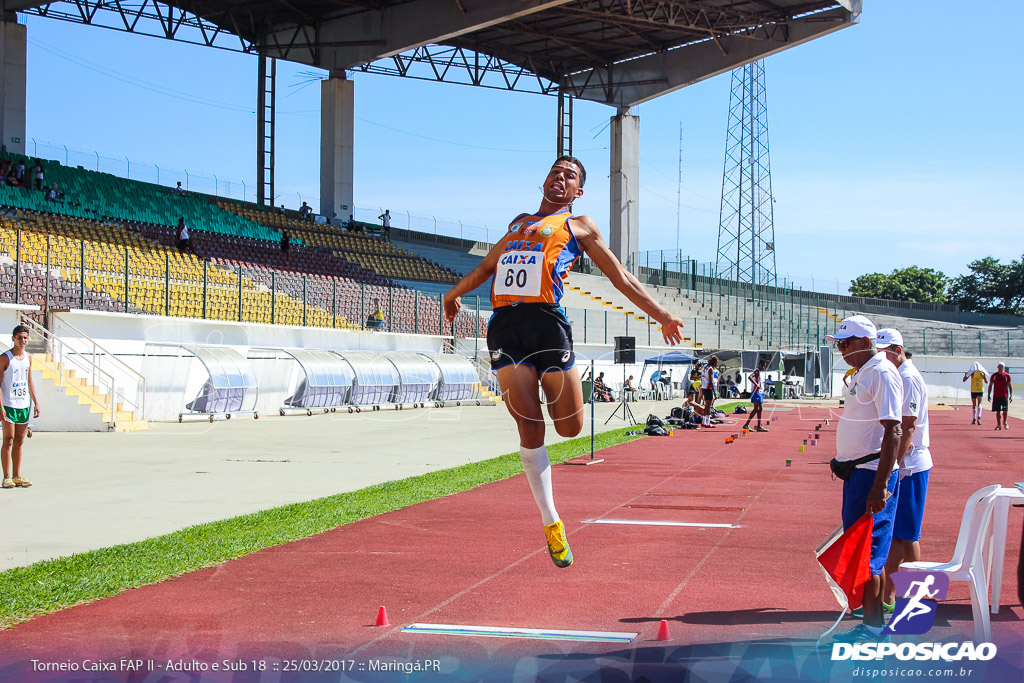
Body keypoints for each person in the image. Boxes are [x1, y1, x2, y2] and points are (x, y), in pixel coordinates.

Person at [442, 156, 684, 568]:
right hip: (505, 326)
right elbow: (487, 266)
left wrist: (661, 315)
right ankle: (551, 522)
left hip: (547, 325)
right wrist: (452, 293)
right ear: (544, 180)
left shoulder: (581, 225)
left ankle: (560, 407)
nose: (561, 178)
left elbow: (620, 278)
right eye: (556, 172)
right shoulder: (518, 223)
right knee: (528, 425)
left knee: (570, 428)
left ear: (578, 192)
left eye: (570, 176)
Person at [826, 315, 903, 644]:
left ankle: (875, 632)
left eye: (844, 343)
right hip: (859, 473)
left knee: (868, 555)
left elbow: (894, 430)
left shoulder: (883, 372)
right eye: (838, 344)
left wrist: (879, 485)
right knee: (860, 554)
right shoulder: (864, 372)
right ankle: (871, 626)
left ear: (864, 342)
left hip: (871, 476)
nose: (840, 350)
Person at [876, 329, 932, 618]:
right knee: (901, 534)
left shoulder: (907, 377)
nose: (880, 355)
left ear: (898, 349)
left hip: (910, 465)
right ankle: (898, 597)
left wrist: (893, 467)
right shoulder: (901, 374)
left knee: (906, 535)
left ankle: (907, 599)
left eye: (885, 350)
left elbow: (907, 427)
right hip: (908, 465)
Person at [1, 326, 40, 489]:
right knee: (8, 440)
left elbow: (29, 380)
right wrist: (1, 407)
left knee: (19, 440)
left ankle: (17, 476)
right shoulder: (5, 358)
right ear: (13, 339)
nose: (22, 341)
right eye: (19, 338)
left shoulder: (28, 358)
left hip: (24, 405)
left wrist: (36, 401)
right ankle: (7, 477)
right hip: (9, 405)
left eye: (25, 338)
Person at [743, 360, 768, 432]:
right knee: (757, 409)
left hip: (760, 392)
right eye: (762, 365)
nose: (763, 367)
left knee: (759, 409)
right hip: (756, 392)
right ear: (759, 365)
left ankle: (758, 425)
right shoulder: (757, 371)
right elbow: (750, 377)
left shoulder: (761, 372)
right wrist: (756, 384)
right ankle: (748, 424)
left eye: (764, 366)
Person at [988, 362, 1013, 430]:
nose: (1000, 368)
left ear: (1003, 367)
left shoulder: (1007, 376)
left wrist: (1011, 395)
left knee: (1005, 410)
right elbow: (990, 385)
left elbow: (1010, 385)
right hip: (996, 395)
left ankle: (1005, 421)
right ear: (997, 367)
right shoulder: (994, 375)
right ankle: (998, 424)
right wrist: (988, 394)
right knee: (998, 410)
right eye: (999, 366)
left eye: (1001, 366)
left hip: (1004, 395)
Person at [701, 355, 720, 428]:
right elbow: (711, 381)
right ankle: (707, 422)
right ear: (714, 362)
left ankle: (704, 421)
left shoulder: (704, 367)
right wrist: (715, 392)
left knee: (706, 405)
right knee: (709, 406)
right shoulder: (710, 369)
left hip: (704, 387)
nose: (716, 364)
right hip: (708, 388)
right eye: (716, 362)